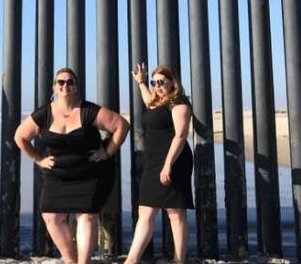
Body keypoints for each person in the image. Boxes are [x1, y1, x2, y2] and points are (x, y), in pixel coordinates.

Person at [14, 68, 129, 264]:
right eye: (61, 82)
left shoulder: (88, 111)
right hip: (57, 175)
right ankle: (70, 260)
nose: (65, 85)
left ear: (76, 87)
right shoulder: (45, 113)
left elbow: (121, 125)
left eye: (70, 82)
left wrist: (107, 152)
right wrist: (39, 159)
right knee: (51, 217)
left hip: (89, 174)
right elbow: (20, 137)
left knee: (86, 217)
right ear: (54, 87)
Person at [125, 63, 194, 264]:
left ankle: (179, 260)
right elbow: (148, 102)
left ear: (173, 82)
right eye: (154, 83)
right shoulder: (157, 102)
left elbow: (180, 136)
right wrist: (141, 83)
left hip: (173, 161)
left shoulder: (179, 104)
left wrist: (167, 165)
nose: (157, 86)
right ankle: (131, 260)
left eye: (161, 82)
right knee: (145, 210)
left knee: (175, 212)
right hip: (152, 161)